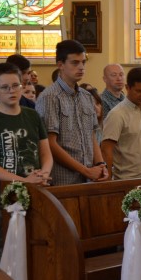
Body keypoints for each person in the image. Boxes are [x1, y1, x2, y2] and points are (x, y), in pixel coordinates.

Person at [0, 62, 52, 265]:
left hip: (35, 190)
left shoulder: (32, 115)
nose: (12, 91)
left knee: (33, 250)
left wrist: (44, 174)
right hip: (2, 196)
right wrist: (23, 181)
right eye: (5, 87)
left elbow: (46, 153)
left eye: (15, 85)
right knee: (3, 253)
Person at [35, 40, 107, 185]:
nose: (81, 67)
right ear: (60, 65)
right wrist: (84, 170)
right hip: (62, 179)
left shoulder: (87, 96)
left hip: (88, 178)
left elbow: (91, 135)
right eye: (75, 63)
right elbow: (49, 143)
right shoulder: (50, 97)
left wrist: (100, 164)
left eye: (83, 62)